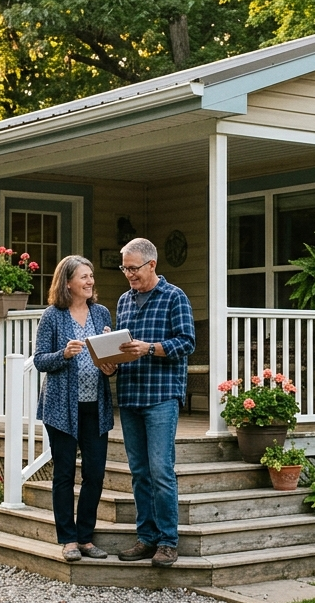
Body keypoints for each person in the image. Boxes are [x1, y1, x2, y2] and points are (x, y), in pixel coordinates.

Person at [112, 238, 195, 567]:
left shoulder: (174, 297)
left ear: (152, 265)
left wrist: (149, 348)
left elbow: (187, 342)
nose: (129, 274)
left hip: (160, 395)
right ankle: (145, 538)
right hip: (130, 394)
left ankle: (167, 541)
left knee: (161, 470)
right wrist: (110, 356)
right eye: (125, 269)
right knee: (139, 472)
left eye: (133, 268)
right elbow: (124, 347)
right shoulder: (124, 301)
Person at [32, 255, 115, 562]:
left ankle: (86, 538)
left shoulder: (101, 312)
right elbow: (40, 360)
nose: (90, 281)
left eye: (91, 276)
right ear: (67, 282)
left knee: (94, 474)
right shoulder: (53, 316)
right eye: (83, 277)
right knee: (65, 474)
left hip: (96, 404)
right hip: (62, 408)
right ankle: (67, 539)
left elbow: (110, 358)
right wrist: (64, 354)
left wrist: (110, 367)